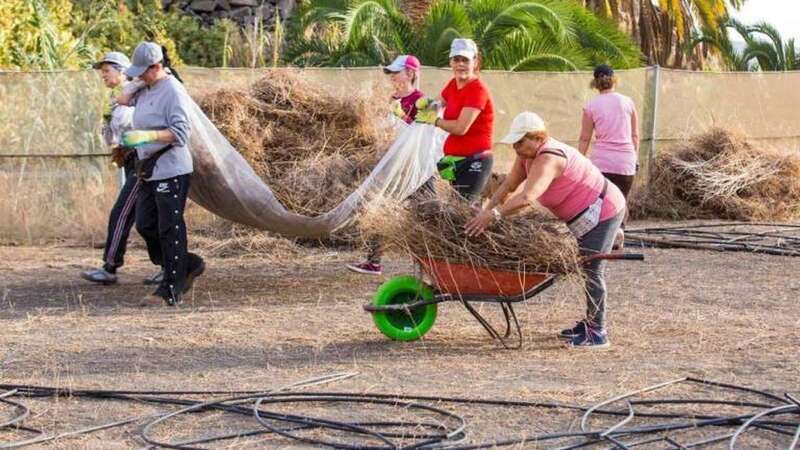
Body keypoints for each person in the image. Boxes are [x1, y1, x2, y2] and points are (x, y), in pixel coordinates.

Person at [465, 112, 626, 349]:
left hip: (603, 209)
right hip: (580, 216)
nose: (517, 147)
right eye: (515, 143)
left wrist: (495, 216)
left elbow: (527, 197)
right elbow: (509, 185)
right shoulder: (526, 155)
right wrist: (485, 209)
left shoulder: (549, 158)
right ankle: (590, 321)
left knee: (592, 268)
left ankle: (598, 331)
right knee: (586, 265)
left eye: (521, 142)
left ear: (538, 137)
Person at [120, 42, 204, 306]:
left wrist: (148, 135)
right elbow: (121, 98)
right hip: (148, 169)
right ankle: (187, 263)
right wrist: (137, 82)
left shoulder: (173, 91)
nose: (138, 76)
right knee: (145, 224)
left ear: (158, 66)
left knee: (170, 226)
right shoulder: (147, 87)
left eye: (143, 71)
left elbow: (180, 133)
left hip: (171, 168)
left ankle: (171, 286)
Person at [80, 52, 163, 286]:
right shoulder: (118, 99)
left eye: (106, 70)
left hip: (143, 161)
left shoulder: (136, 95)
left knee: (123, 213)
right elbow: (112, 138)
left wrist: (126, 144)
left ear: (120, 70)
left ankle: (110, 266)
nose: (103, 76)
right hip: (131, 160)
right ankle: (167, 266)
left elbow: (139, 130)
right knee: (145, 218)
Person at [346, 55, 426, 275]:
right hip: (391, 164)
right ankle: (373, 261)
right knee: (377, 206)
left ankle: (431, 263)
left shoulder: (421, 101)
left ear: (410, 74)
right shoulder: (390, 99)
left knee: (426, 211)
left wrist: (404, 120)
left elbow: (424, 135)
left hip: (413, 169)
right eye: (390, 73)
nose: (391, 77)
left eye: (396, 72)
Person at [415, 38, 494, 201]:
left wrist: (434, 121)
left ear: (475, 61)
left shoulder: (477, 90)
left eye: (465, 60)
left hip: (475, 161)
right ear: (450, 62)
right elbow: (438, 104)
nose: (460, 64)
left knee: (463, 211)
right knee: (455, 210)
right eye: (456, 59)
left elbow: (460, 128)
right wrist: (427, 104)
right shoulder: (453, 84)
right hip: (455, 161)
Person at [578, 64, 639, 247]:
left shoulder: (590, 106)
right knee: (622, 200)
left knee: (603, 202)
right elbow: (635, 135)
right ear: (614, 80)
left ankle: (604, 238)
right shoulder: (628, 102)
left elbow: (584, 138)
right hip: (625, 161)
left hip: (602, 162)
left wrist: (580, 160)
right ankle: (619, 232)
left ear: (595, 84)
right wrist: (634, 158)